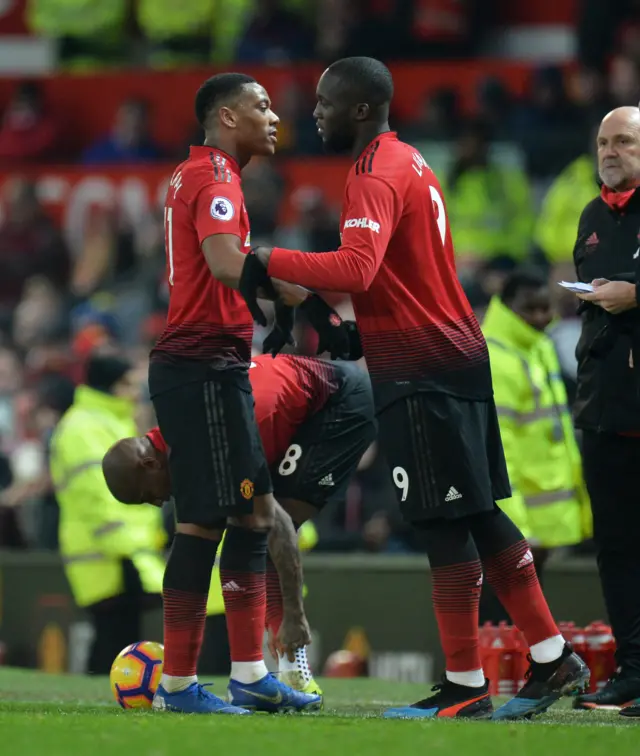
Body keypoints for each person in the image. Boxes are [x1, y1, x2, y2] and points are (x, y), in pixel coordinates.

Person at [238, 56, 588, 721]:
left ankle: (467, 685)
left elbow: (357, 268)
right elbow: (407, 276)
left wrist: (265, 258)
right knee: (480, 514)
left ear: (362, 108)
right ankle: (551, 658)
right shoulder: (414, 162)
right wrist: (358, 335)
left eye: (326, 101)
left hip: (423, 369)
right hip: (453, 353)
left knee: (443, 523)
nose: (316, 112)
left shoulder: (372, 173)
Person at [146, 72, 346, 715]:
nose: (274, 116)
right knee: (218, 520)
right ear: (227, 118)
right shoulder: (217, 178)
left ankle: (241, 676)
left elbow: (237, 264)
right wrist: (290, 274)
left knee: (237, 517)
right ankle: (195, 683)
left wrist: (295, 300)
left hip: (205, 362)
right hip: (204, 364)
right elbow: (228, 264)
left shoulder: (195, 173)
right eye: (261, 106)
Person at [103, 352, 376, 703]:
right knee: (244, 528)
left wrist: (295, 615)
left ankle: (295, 672)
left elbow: (277, 524)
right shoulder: (180, 443)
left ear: (150, 463)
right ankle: (250, 677)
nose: (157, 503)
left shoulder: (220, 442)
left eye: (146, 495)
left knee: (263, 526)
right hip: (276, 403)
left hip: (339, 403)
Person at [566, 106, 640, 713]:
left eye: (624, 141)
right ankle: (633, 671)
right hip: (605, 404)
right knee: (616, 546)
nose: (610, 151)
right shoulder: (592, 216)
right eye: (604, 142)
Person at [49, 353, 166, 674]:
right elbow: (93, 495)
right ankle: (102, 694)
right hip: (107, 549)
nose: (134, 392)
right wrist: (125, 544)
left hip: (123, 547)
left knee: (121, 633)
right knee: (111, 633)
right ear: (111, 386)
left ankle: (114, 693)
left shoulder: (110, 421)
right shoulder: (82, 426)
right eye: (128, 384)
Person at [482, 268, 591, 584]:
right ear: (506, 308)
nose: (542, 317)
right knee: (502, 618)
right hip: (519, 519)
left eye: (546, 308)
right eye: (530, 309)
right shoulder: (497, 359)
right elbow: (499, 451)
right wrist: (516, 527)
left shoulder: (538, 346)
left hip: (543, 517)